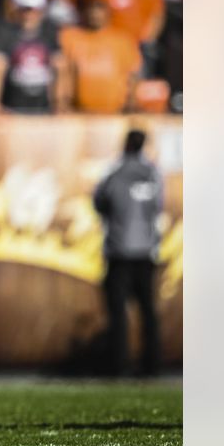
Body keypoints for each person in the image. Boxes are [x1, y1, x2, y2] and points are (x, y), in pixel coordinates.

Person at [93, 129, 164, 377]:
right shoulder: (152, 174)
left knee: (118, 314)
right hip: (145, 251)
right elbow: (157, 208)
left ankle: (120, 365)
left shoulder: (115, 173)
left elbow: (100, 201)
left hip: (120, 251)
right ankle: (152, 365)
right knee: (148, 312)